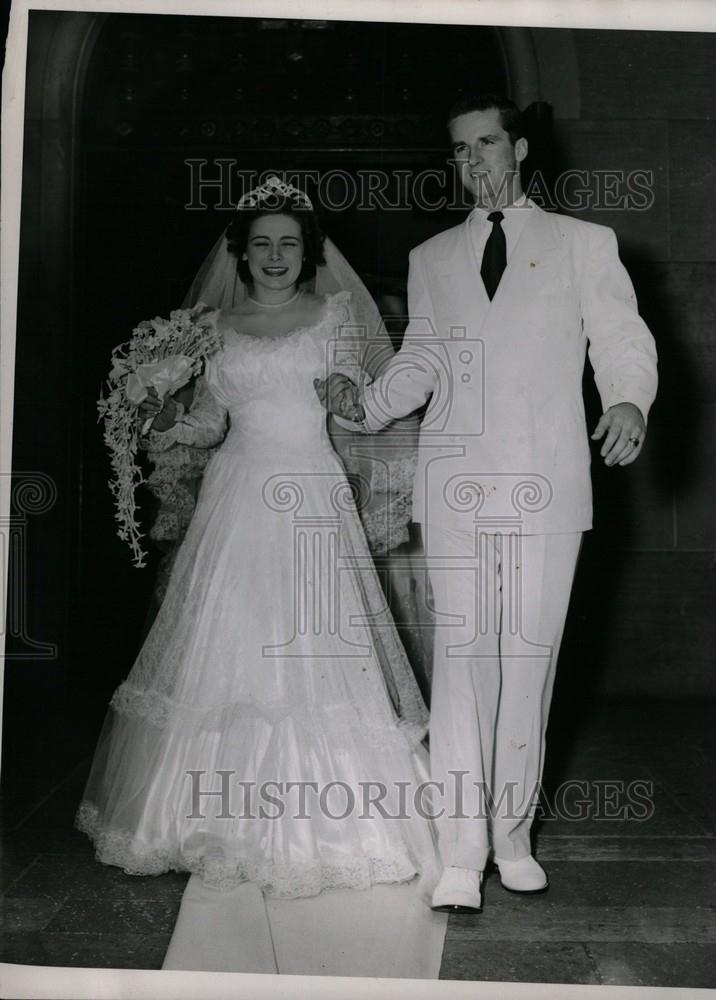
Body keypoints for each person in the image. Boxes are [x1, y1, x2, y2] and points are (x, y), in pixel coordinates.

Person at [76, 177, 444, 975]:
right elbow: (209, 422)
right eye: (262, 243)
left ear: (307, 252)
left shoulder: (339, 316)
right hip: (235, 496)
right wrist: (162, 411)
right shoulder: (208, 327)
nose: (276, 256)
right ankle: (205, 817)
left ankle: (334, 821)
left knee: (316, 650)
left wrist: (351, 398)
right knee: (228, 644)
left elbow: (357, 409)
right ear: (239, 252)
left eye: (289, 243)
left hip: (310, 491)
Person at [317, 93, 658, 914]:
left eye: (484, 145)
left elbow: (619, 335)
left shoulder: (584, 243)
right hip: (457, 487)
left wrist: (627, 401)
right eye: (458, 151)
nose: (470, 163)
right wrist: (362, 402)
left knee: (528, 661)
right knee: (465, 662)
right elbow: (422, 361)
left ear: (520, 150)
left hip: (547, 485)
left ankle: (512, 840)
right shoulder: (433, 256)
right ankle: (461, 852)